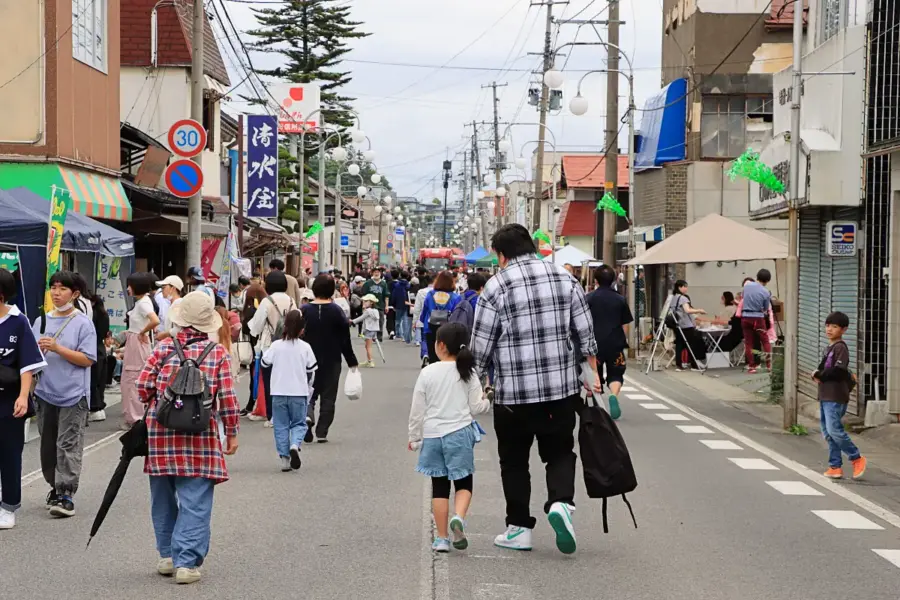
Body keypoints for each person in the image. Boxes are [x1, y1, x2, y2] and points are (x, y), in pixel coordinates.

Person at [470, 224, 601, 555]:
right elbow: (586, 334)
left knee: (513, 460)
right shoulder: (565, 279)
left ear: (501, 255)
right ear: (530, 246)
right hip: (560, 389)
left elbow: (481, 346)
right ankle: (561, 503)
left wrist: (474, 382)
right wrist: (591, 372)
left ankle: (518, 528)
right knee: (559, 451)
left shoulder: (495, 286)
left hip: (513, 394)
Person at [136, 292, 240, 585]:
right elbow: (228, 400)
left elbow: (142, 387)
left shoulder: (163, 348)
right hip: (200, 436)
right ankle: (187, 562)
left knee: (162, 497)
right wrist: (231, 433)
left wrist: (162, 399)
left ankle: (168, 555)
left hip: (161, 435)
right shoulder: (217, 353)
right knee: (195, 499)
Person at [408, 322, 490, 553]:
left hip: (433, 435)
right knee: (464, 482)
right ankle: (460, 518)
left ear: (440, 345)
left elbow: (417, 410)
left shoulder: (427, 372)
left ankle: (442, 538)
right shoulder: (468, 373)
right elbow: (476, 407)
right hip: (459, 433)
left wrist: (415, 438)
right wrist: (488, 400)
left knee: (440, 486)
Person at [32, 271, 97, 518]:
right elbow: (32, 359)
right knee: (48, 445)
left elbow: (88, 359)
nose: (56, 293)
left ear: (75, 293)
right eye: (54, 288)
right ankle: (54, 488)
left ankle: (66, 493)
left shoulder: (83, 323)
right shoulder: (42, 321)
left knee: (67, 443)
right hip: (45, 392)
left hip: (74, 393)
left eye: (62, 289)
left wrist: (58, 348)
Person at [0, 269, 47, 530]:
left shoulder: (19, 321)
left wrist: (22, 396)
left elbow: (27, 365)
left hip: (9, 399)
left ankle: (8, 506)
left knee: (9, 453)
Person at [302, 274, 359, 443]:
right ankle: (322, 431)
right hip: (332, 360)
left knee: (308, 393)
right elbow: (344, 339)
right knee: (329, 396)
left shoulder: (304, 310)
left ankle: (307, 416)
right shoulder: (336, 311)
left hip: (308, 360)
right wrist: (351, 360)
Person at [812, 311, 866, 480]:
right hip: (825, 395)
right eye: (828, 325)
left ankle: (856, 457)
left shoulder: (841, 347)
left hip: (835, 396)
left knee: (835, 430)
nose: (829, 329)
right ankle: (835, 466)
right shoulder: (829, 348)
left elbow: (839, 370)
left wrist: (820, 375)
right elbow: (823, 369)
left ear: (843, 329)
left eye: (834, 326)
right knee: (828, 433)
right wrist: (817, 373)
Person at [261, 310, 317, 471]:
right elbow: (311, 369)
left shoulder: (276, 345)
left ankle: (285, 459)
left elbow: (265, 363)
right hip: (299, 392)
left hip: (278, 391)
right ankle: (294, 444)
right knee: (299, 423)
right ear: (302, 330)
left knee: (281, 425)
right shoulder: (305, 347)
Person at [248, 272, 297, 426]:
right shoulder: (291, 300)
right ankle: (288, 414)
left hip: (269, 345)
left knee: (270, 382)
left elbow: (255, 327)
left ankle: (272, 416)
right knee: (286, 380)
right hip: (289, 343)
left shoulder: (267, 302)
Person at [586, 265, 634, 421]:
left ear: (596, 280)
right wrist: (623, 339)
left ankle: (598, 406)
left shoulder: (589, 298)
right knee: (616, 373)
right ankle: (613, 394)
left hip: (594, 345)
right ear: (614, 279)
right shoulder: (620, 299)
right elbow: (625, 323)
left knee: (595, 375)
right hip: (615, 343)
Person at [121, 273, 160, 428]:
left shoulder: (143, 303)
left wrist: (142, 332)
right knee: (132, 377)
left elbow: (155, 320)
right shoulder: (143, 301)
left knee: (132, 378)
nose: (128, 289)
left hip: (137, 343)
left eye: (130, 285)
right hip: (135, 340)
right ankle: (136, 416)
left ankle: (135, 419)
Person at [420, 271, 462, 365]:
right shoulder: (456, 297)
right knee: (447, 358)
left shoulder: (430, 295)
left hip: (430, 328)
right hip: (448, 330)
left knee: (433, 358)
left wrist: (422, 321)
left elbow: (424, 311)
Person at [239, 281, 268, 417]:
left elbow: (246, 328)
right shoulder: (266, 306)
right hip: (267, 346)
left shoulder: (251, 309)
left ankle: (252, 404)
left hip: (255, 348)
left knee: (255, 378)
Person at [740, 269, 773, 374]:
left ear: (757, 276)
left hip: (745, 316)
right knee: (765, 341)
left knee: (749, 343)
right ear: (767, 280)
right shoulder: (765, 292)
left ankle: (751, 366)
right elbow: (766, 307)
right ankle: (769, 365)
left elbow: (743, 297)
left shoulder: (746, 287)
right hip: (758, 318)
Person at [88, 294, 110, 422]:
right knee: (100, 381)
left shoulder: (92, 315)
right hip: (100, 348)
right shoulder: (104, 314)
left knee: (93, 380)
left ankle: (95, 408)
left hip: (92, 348)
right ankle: (99, 407)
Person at [361, 267, 390, 341]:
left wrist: (387, 306)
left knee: (380, 321)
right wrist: (363, 305)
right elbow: (364, 295)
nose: (376, 274)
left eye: (378, 272)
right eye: (375, 272)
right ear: (372, 273)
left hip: (380, 305)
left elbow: (386, 296)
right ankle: (371, 336)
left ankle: (379, 336)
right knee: (370, 321)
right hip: (370, 306)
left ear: (380, 274)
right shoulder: (368, 283)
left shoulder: (383, 283)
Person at [352, 295, 380, 367]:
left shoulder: (367, 311)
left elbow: (361, 318)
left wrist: (352, 321)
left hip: (368, 330)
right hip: (374, 330)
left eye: (366, 301)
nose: (364, 302)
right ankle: (368, 360)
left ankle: (370, 361)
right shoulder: (375, 311)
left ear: (371, 302)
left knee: (368, 346)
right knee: (367, 345)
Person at [155, 275, 184, 342]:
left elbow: (179, 329)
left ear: (173, 288)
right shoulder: (174, 303)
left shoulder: (178, 304)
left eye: (164, 287)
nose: (162, 290)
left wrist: (164, 334)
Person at [412, 272, 433, 354]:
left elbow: (417, 308)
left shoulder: (421, 292)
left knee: (424, 339)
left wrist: (414, 321)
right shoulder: (438, 292)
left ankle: (425, 354)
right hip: (436, 318)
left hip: (423, 318)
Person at [390, 271, 412, 343]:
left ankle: (399, 334)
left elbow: (394, 295)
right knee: (405, 320)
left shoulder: (397, 285)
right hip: (407, 304)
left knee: (398, 320)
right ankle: (405, 336)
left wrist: (393, 304)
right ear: (407, 276)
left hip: (398, 304)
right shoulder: (408, 285)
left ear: (400, 275)